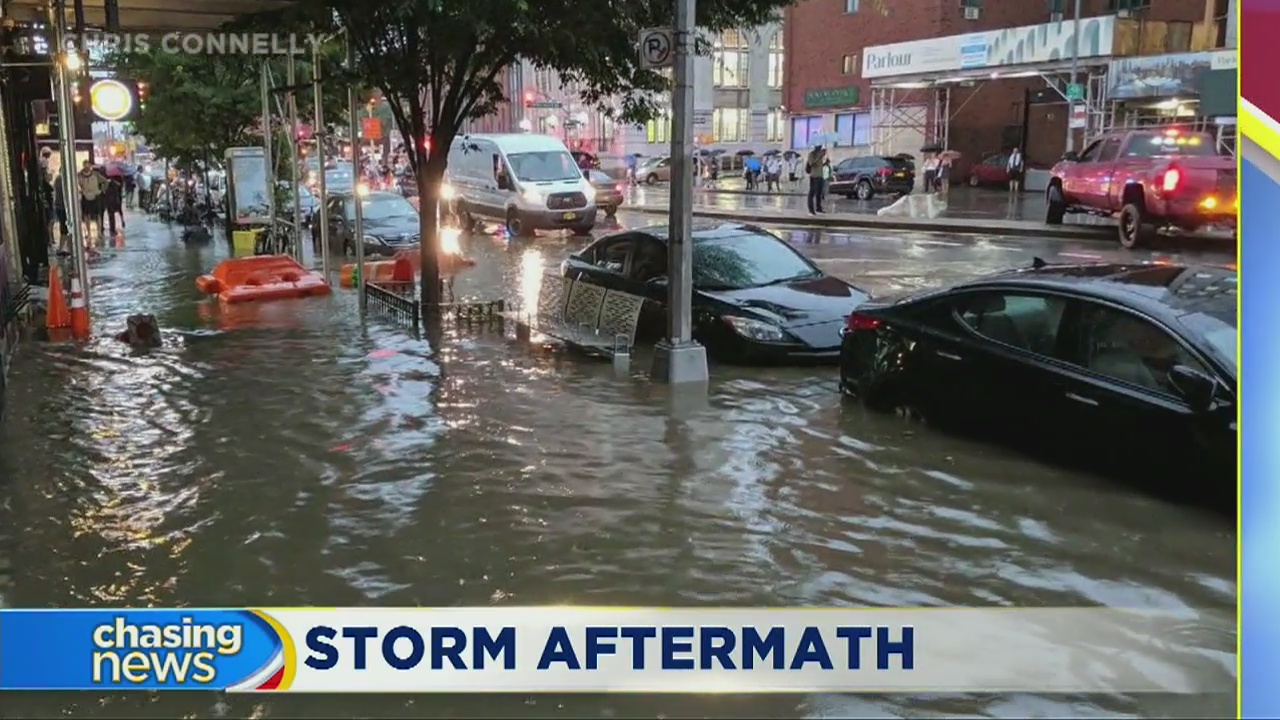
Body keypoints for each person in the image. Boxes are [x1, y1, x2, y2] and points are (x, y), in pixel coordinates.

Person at [76, 160, 106, 241]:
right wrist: (81, 191)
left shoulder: (96, 174)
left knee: (98, 215)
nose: (87, 167)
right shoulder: (79, 175)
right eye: (85, 165)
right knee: (86, 215)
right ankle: (88, 232)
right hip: (85, 196)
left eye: (88, 165)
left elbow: (105, 181)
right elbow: (77, 184)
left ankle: (99, 232)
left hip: (95, 196)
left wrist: (102, 191)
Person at [805, 145, 827, 214]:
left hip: (820, 176)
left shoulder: (820, 154)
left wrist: (825, 163)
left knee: (819, 193)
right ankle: (811, 210)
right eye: (819, 147)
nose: (820, 148)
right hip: (814, 176)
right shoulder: (811, 154)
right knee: (812, 193)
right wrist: (819, 157)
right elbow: (811, 163)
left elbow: (819, 166)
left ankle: (818, 208)